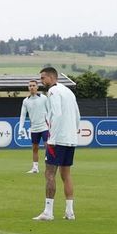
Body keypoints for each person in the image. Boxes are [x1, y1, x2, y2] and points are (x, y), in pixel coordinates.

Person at [35, 66, 79, 222]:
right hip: (70, 139)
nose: (41, 81)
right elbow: (77, 115)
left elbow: (57, 115)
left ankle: (48, 211)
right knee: (66, 175)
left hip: (58, 139)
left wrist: (51, 138)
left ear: (51, 78)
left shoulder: (53, 91)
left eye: (42, 78)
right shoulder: (69, 92)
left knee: (49, 174)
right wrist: (75, 131)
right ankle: (69, 212)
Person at [18, 78, 51, 175]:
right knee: (35, 148)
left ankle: (50, 167)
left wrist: (51, 124)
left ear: (37, 87)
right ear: (28, 88)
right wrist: (20, 128)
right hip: (34, 128)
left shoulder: (44, 98)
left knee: (47, 147)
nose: (32, 87)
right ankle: (35, 168)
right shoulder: (26, 101)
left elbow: (50, 111)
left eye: (33, 85)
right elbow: (23, 115)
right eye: (30, 86)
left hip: (44, 127)